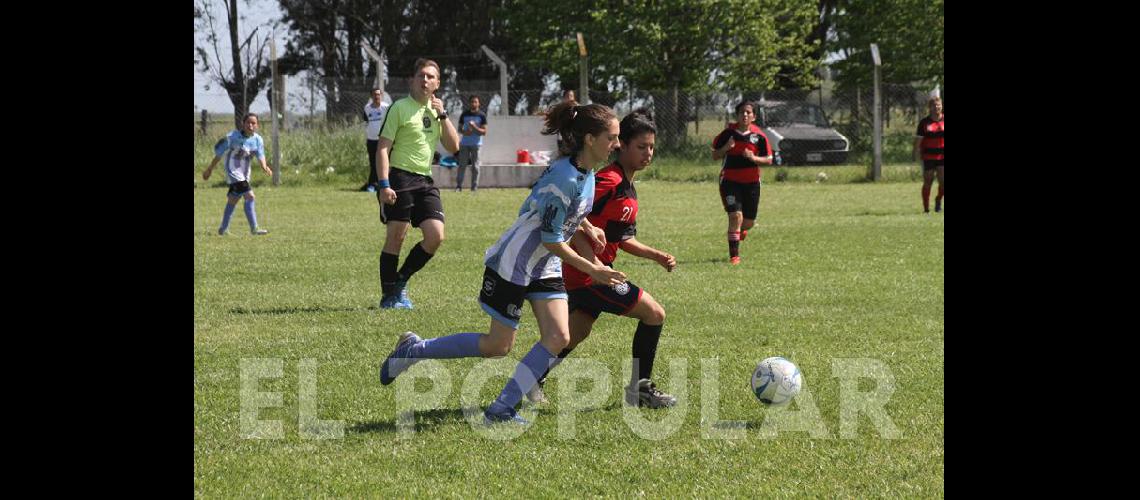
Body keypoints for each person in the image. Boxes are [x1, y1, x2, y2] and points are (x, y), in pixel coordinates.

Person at [378, 100, 627, 425]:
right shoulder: (565, 176)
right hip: (516, 262)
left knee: (558, 337)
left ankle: (500, 410)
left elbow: (557, 211)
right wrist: (593, 269)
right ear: (590, 140)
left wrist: (588, 227)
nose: (616, 144)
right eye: (612, 137)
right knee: (498, 345)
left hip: (543, 264)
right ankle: (415, 350)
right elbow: (551, 238)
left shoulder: (586, 172)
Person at [525, 109, 678, 408]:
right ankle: (641, 390)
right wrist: (594, 267)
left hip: (590, 271)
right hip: (586, 273)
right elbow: (574, 220)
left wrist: (656, 255)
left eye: (651, 147)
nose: (648, 153)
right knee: (654, 314)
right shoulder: (607, 180)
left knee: (577, 331)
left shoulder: (626, 184)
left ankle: (530, 378)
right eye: (640, 146)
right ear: (622, 146)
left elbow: (623, 239)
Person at [375, 59, 461, 309]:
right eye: (421, 76)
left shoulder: (436, 111)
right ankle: (388, 296)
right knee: (396, 238)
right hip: (399, 178)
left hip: (425, 180)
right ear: (412, 80)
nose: (425, 80)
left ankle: (400, 281)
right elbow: (382, 148)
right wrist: (383, 184)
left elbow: (454, 147)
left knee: (436, 236)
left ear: (437, 83)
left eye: (431, 77)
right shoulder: (399, 108)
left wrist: (443, 115)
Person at [711, 101, 772, 265]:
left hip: (752, 183)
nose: (744, 115)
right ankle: (734, 256)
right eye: (741, 112)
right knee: (735, 216)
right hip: (730, 181)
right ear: (737, 115)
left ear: (754, 116)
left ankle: (742, 230)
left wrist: (753, 158)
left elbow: (769, 159)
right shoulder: (727, 134)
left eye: (748, 112)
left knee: (748, 222)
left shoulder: (759, 136)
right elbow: (715, 155)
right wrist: (726, 148)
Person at [202, 113, 273, 236]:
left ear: (257, 125)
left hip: (245, 174)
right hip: (233, 171)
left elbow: (260, 155)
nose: (250, 125)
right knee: (250, 197)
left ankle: (223, 229)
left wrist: (264, 166)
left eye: (253, 123)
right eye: (248, 123)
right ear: (243, 124)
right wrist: (209, 169)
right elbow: (219, 154)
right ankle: (254, 229)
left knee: (233, 200)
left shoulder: (257, 140)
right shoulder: (232, 137)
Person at [914, 96, 944, 213]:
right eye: (933, 105)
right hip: (928, 157)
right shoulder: (924, 123)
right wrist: (915, 153)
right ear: (929, 108)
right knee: (928, 181)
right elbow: (918, 141)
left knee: (943, 183)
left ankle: (938, 199)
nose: (936, 107)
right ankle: (926, 209)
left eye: (938, 105)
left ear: (941, 106)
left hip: (942, 156)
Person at [456, 95, 488, 192]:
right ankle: (458, 187)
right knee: (462, 166)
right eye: (472, 102)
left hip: (476, 144)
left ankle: (474, 188)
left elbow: (484, 132)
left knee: (475, 167)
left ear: (479, 103)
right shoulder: (464, 114)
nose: (474, 104)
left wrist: (474, 127)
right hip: (464, 144)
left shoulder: (482, 116)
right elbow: (459, 129)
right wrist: (466, 132)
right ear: (469, 103)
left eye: (475, 102)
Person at [360, 88, 390, 192]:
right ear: (371, 96)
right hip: (371, 140)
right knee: (373, 163)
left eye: (378, 94)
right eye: (374, 94)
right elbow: (366, 120)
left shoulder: (386, 107)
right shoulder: (367, 108)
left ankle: (386, 183)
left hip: (383, 140)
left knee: (385, 162)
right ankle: (372, 184)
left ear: (381, 96)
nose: (377, 96)